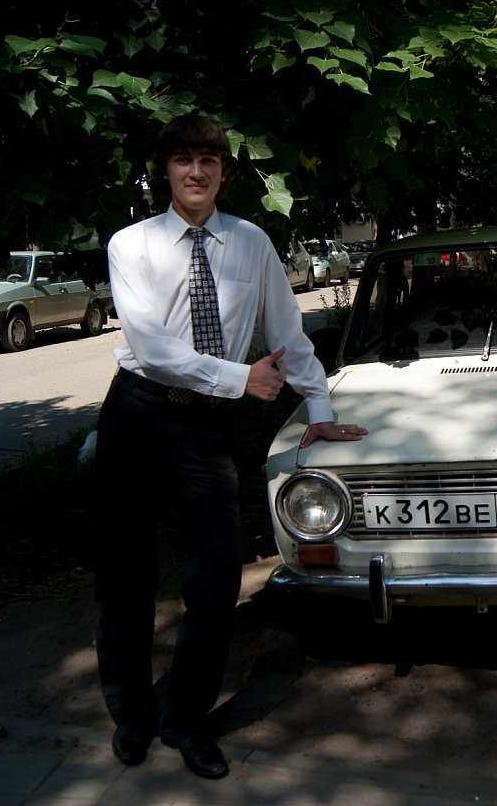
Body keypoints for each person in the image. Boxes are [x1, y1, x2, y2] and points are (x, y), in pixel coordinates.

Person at [95, 114, 367, 779]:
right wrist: (240, 378)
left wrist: (319, 406)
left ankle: (185, 718)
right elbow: (151, 348)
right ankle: (131, 713)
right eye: (183, 160)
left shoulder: (250, 242)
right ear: (164, 170)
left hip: (203, 425)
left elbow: (287, 332)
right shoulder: (131, 244)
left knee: (217, 575)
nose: (196, 172)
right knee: (125, 572)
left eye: (208, 161)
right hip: (137, 411)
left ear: (224, 172)